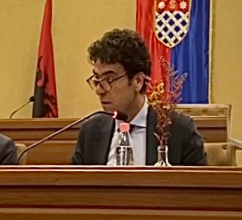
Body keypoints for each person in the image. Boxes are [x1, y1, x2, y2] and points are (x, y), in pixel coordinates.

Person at [71, 28, 206, 166]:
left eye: (109, 79)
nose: (99, 90)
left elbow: (200, 179)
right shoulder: (90, 131)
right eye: (97, 79)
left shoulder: (178, 130)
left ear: (138, 81)